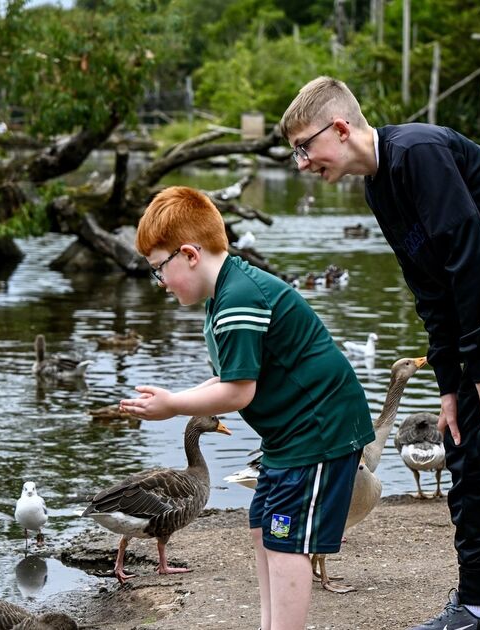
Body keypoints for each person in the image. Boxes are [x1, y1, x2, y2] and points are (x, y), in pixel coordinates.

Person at [280, 77, 480, 630]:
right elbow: (432, 287)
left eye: (305, 146)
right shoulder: (380, 188)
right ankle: (475, 605)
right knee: (463, 445)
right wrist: (450, 385)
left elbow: (471, 260)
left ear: (341, 128)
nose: (301, 162)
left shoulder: (418, 152)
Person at [119, 186, 374, 630]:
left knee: (285, 539)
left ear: (189, 254)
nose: (160, 283)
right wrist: (173, 397)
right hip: (289, 434)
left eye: (159, 270)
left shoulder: (239, 298)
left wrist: (175, 406)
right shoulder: (225, 294)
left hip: (318, 429)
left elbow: (238, 392)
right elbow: (227, 378)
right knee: (264, 527)